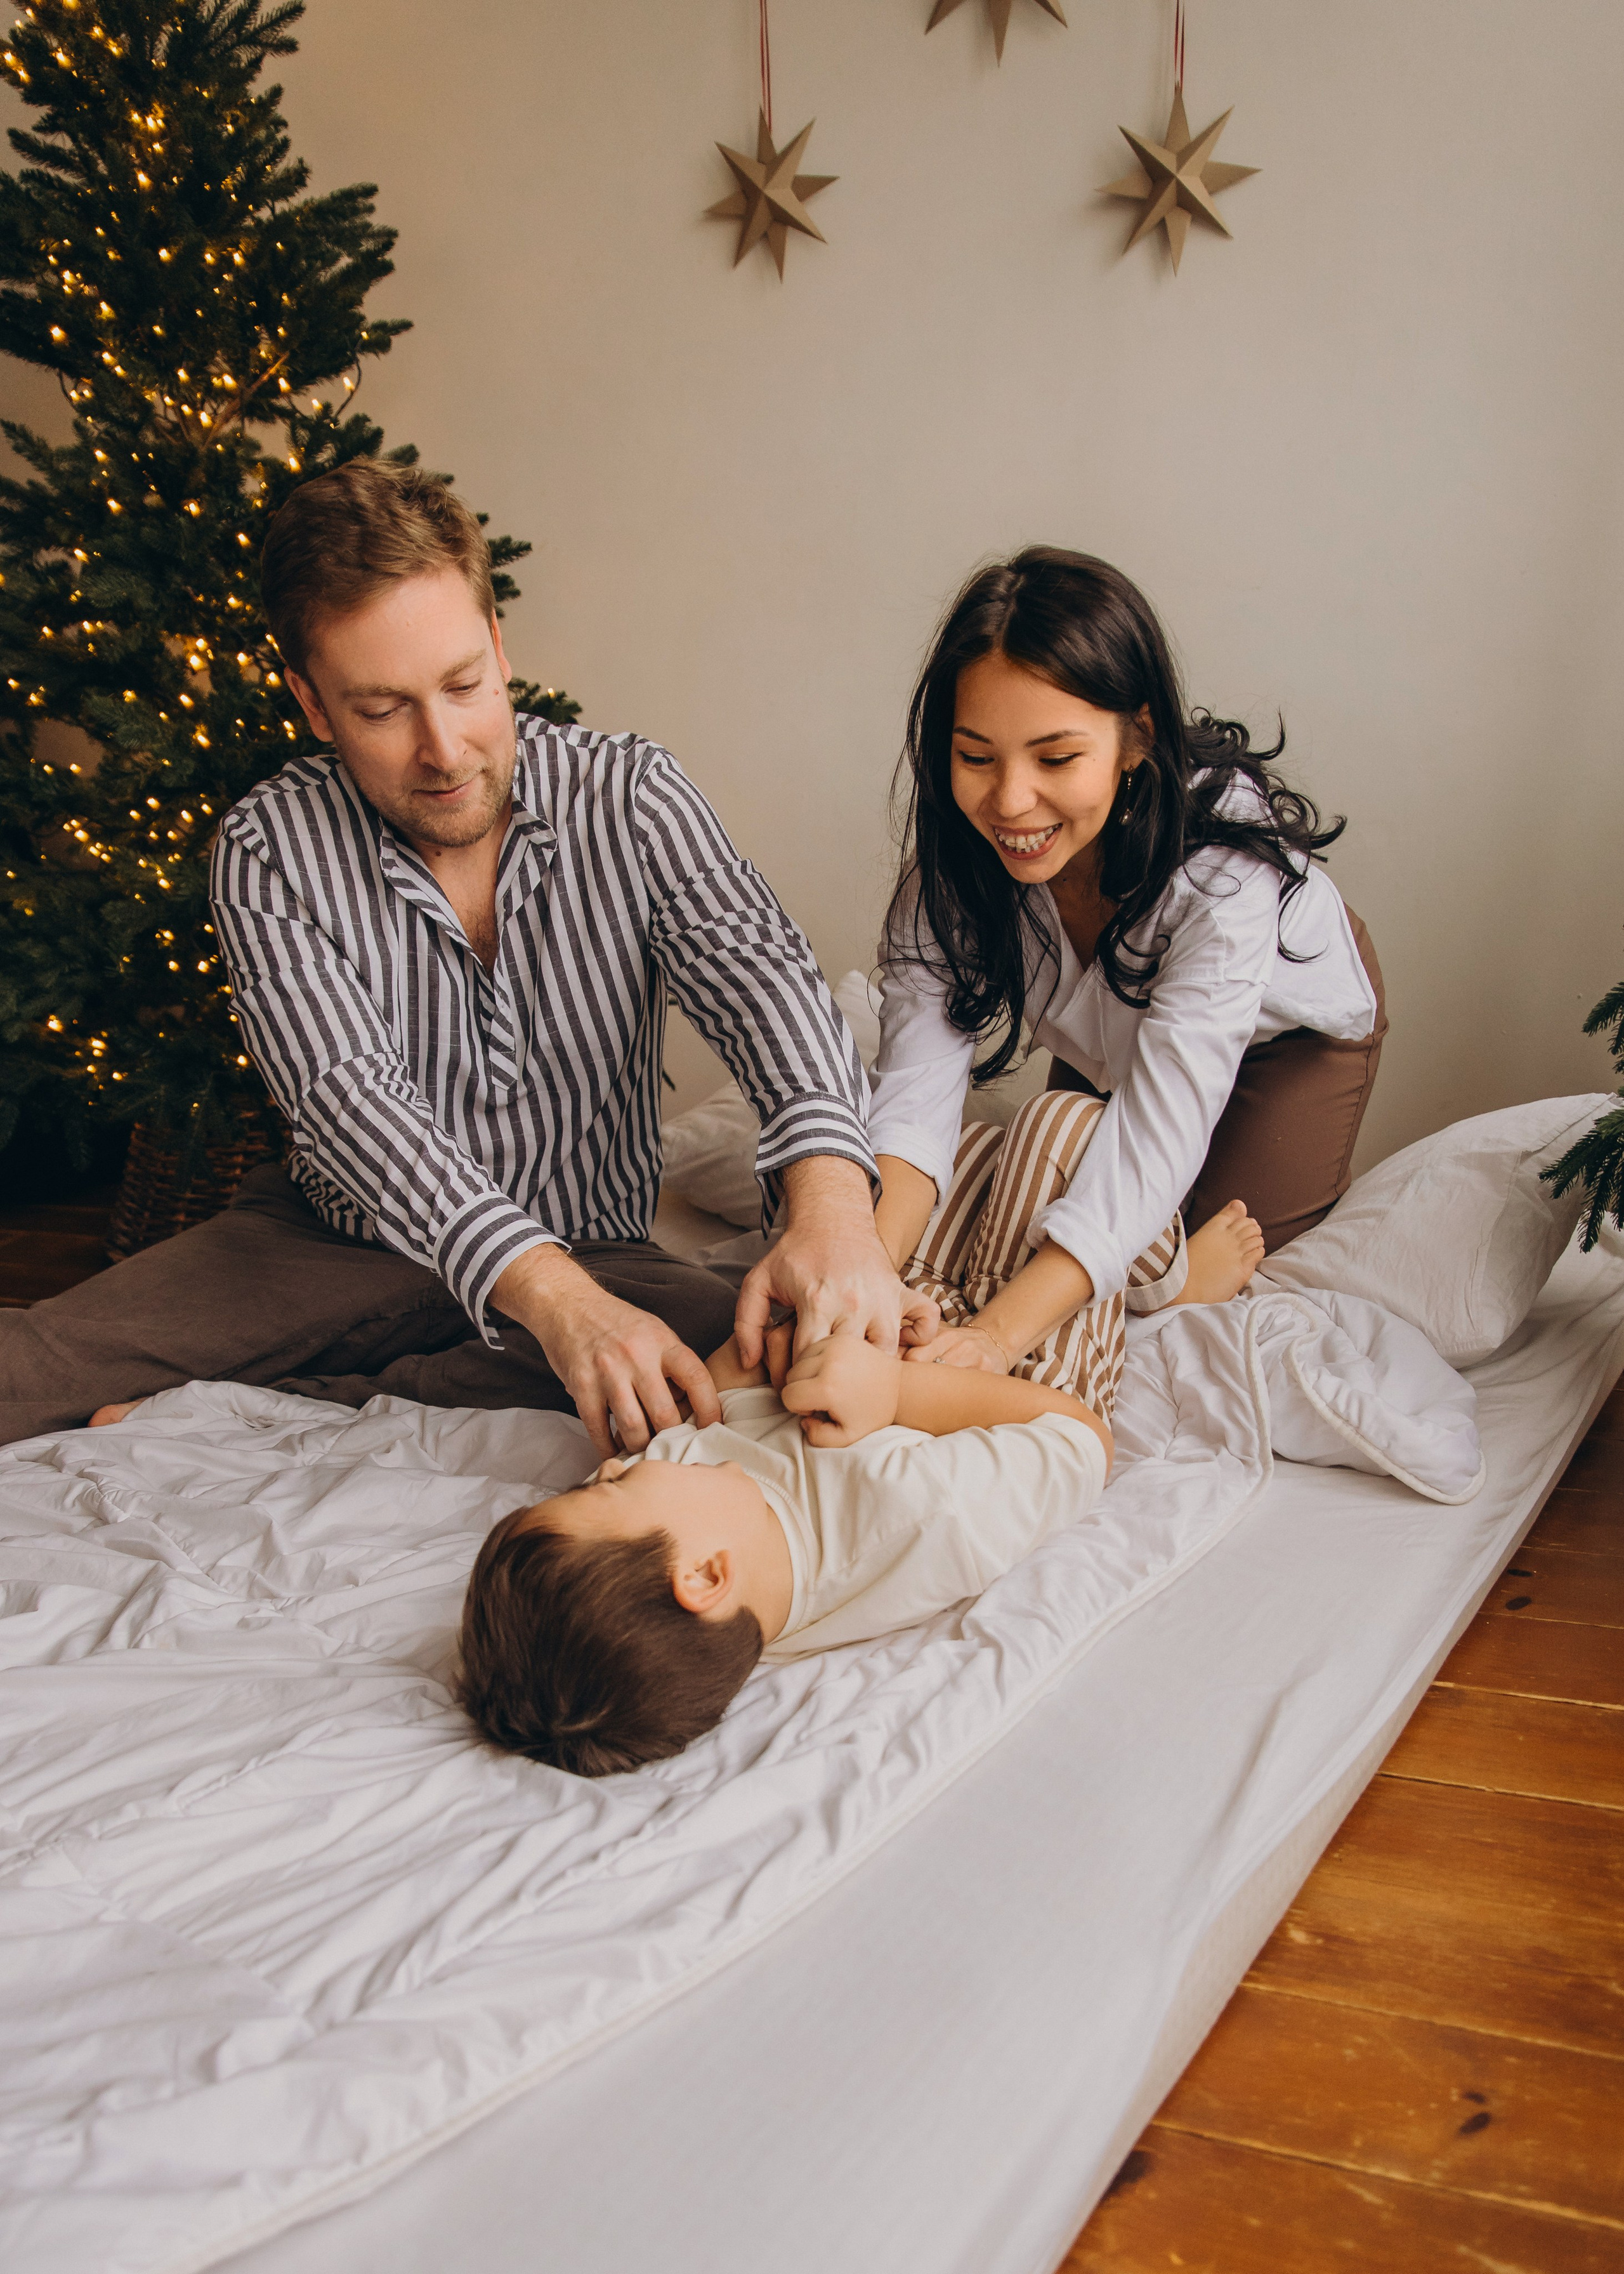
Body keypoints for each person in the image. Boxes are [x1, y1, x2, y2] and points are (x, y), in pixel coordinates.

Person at [0, 461, 905, 1454]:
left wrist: (832, 1210)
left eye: (465, 685)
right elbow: (353, 1107)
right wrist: (553, 1304)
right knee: (25, 1378)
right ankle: (334, 1393)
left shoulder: (633, 796)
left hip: (594, 1249)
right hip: (330, 1247)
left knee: (764, 1361)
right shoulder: (268, 849)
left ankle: (295, 1407)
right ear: (312, 704)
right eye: (383, 710)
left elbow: (765, 985)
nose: (444, 749)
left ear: (499, 649)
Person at [454, 1089, 1263, 1774]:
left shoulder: (689, 1487)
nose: (607, 1469)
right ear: (704, 1578)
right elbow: (1077, 1436)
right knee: (1063, 1128)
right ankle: (1168, 1280)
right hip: (1004, 1380)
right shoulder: (911, 1516)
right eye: (609, 1491)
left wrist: (769, 1350)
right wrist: (897, 1390)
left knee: (940, 1150)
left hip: (890, 1327)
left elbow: (727, 1385)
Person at [866, 546, 1385, 1383]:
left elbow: (1160, 1126)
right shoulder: (957, 863)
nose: (1010, 801)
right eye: (976, 756)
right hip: (1108, 1024)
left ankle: (1180, 1292)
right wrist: (864, 1278)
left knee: (1201, 1254)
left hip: (1281, 1038)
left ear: (1135, 738)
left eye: (1056, 758)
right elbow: (915, 1096)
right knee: (1036, 1216)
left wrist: (997, 1339)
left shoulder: (1222, 873)